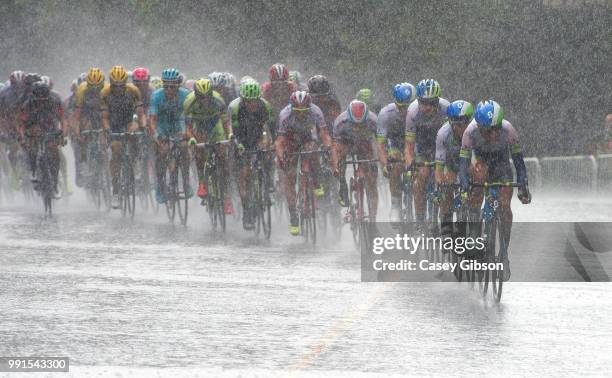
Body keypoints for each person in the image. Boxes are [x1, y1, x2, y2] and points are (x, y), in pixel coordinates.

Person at [459, 100, 531, 281]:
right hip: (480, 162)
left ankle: (503, 254)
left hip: (501, 166)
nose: (492, 134)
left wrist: (523, 184)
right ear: (479, 126)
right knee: (477, 187)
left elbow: (518, 162)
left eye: (495, 129)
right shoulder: (470, 132)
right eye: (487, 130)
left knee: (505, 206)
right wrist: (466, 183)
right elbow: (463, 164)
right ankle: (475, 235)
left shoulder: (508, 130)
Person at [275, 91, 331, 235]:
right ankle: (293, 216)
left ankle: (317, 181)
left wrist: (328, 148)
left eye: (304, 111)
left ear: (309, 108)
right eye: (297, 111)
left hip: (307, 137)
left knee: (312, 151)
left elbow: (324, 134)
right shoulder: (285, 115)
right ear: (292, 108)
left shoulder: (316, 112)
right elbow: (280, 142)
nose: (301, 114)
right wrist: (281, 158)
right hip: (290, 139)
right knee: (290, 176)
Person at [227, 80, 274, 230]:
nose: (252, 104)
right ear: (243, 99)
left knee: (267, 156)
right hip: (240, 138)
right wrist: (238, 144)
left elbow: (268, 128)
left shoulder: (264, 106)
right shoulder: (235, 108)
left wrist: (266, 141)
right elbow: (232, 131)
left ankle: (267, 186)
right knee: (244, 173)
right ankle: (246, 210)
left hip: (257, 136)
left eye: (255, 101)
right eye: (249, 101)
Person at [404, 79, 450, 229]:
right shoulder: (412, 112)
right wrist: (410, 163)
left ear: (438, 101)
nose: (428, 107)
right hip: (422, 146)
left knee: (445, 179)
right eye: (424, 102)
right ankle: (420, 219)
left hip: (442, 146)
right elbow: (409, 146)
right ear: (418, 101)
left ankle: (445, 220)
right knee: (421, 175)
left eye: (432, 103)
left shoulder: (447, 109)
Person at [184, 78, 234, 214]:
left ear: (212, 93)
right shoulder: (189, 101)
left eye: (208, 96)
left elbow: (226, 122)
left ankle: (227, 199)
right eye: (202, 97)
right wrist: (192, 138)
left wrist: (229, 135)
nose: (205, 99)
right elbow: (188, 127)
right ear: (196, 94)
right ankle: (201, 183)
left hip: (214, 124)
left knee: (223, 158)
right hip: (198, 125)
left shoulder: (218, 100)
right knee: (199, 152)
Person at [100, 65, 145, 208]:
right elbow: (105, 117)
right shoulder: (105, 93)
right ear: (111, 84)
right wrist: (107, 129)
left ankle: (135, 163)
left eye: (121, 85)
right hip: (113, 123)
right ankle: (116, 190)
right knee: (116, 149)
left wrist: (141, 126)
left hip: (129, 120)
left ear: (125, 83)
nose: (118, 88)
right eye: (115, 86)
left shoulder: (133, 90)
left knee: (134, 135)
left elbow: (140, 113)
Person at [149, 68, 192, 204]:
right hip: (162, 125)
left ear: (178, 85)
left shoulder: (185, 95)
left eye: (172, 86)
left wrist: (187, 133)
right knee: (162, 153)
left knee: (184, 149)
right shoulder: (156, 96)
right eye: (166, 86)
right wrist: (157, 136)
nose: (168, 89)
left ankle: (186, 182)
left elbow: (190, 117)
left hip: (178, 125)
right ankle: (160, 187)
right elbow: (153, 120)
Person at [331, 100, 379, 221]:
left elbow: (380, 143)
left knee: (372, 180)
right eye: (354, 125)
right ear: (349, 119)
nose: (357, 128)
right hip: (346, 141)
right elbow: (335, 148)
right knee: (340, 155)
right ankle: (343, 186)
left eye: (360, 125)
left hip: (365, 142)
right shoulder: (341, 122)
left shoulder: (373, 120)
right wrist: (336, 166)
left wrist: (378, 160)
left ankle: (373, 220)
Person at [18, 82, 66, 196]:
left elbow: (63, 120)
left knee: (55, 153)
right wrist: (23, 138)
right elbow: (21, 124)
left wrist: (63, 134)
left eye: (43, 99)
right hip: (33, 127)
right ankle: (34, 171)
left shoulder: (54, 102)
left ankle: (54, 184)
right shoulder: (27, 105)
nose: (40, 102)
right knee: (31, 146)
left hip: (50, 128)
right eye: (38, 100)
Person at [376, 83, 415, 221]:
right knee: (395, 165)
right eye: (400, 106)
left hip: (417, 143)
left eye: (407, 107)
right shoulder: (385, 114)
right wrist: (385, 164)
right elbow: (380, 145)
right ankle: (395, 205)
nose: (404, 110)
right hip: (396, 144)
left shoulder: (419, 111)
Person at [434, 100, 473, 234]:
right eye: (455, 124)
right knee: (447, 186)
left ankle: (473, 222)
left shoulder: (475, 131)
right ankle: (446, 221)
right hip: (451, 163)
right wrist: (440, 183)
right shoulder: (443, 134)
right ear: (450, 122)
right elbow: (439, 167)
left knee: (475, 184)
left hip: (470, 163)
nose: (459, 128)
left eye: (463, 124)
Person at [74, 67, 106, 187]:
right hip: (87, 112)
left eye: (98, 87)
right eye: (92, 87)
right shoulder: (82, 90)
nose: (95, 89)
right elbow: (77, 115)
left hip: (101, 111)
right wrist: (78, 132)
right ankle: (84, 160)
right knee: (85, 130)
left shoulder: (107, 89)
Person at [0, 70, 27, 190]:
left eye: (21, 86)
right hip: (10, 125)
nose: (19, 89)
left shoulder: (30, 91)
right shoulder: (5, 95)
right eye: (16, 86)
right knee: (12, 150)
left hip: (26, 123)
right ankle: (15, 176)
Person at [261, 63, 297, 137]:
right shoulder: (266, 89)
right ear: (270, 81)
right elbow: (262, 110)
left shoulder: (292, 87)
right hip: (272, 116)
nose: (280, 87)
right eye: (276, 84)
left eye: (283, 83)